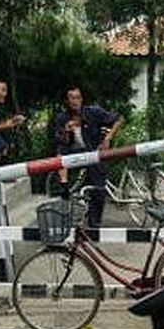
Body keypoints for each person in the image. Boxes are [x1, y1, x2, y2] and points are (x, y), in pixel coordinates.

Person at [52, 85, 122, 227]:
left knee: (98, 189)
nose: (75, 101)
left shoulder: (92, 112)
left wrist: (107, 138)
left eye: (77, 98)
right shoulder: (62, 118)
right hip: (73, 153)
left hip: (92, 152)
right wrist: (66, 131)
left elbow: (119, 119)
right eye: (71, 98)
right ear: (67, 101)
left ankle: (94, 223)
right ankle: (64, 184)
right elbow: (61, 141)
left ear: (82, 99)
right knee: (60, 153)